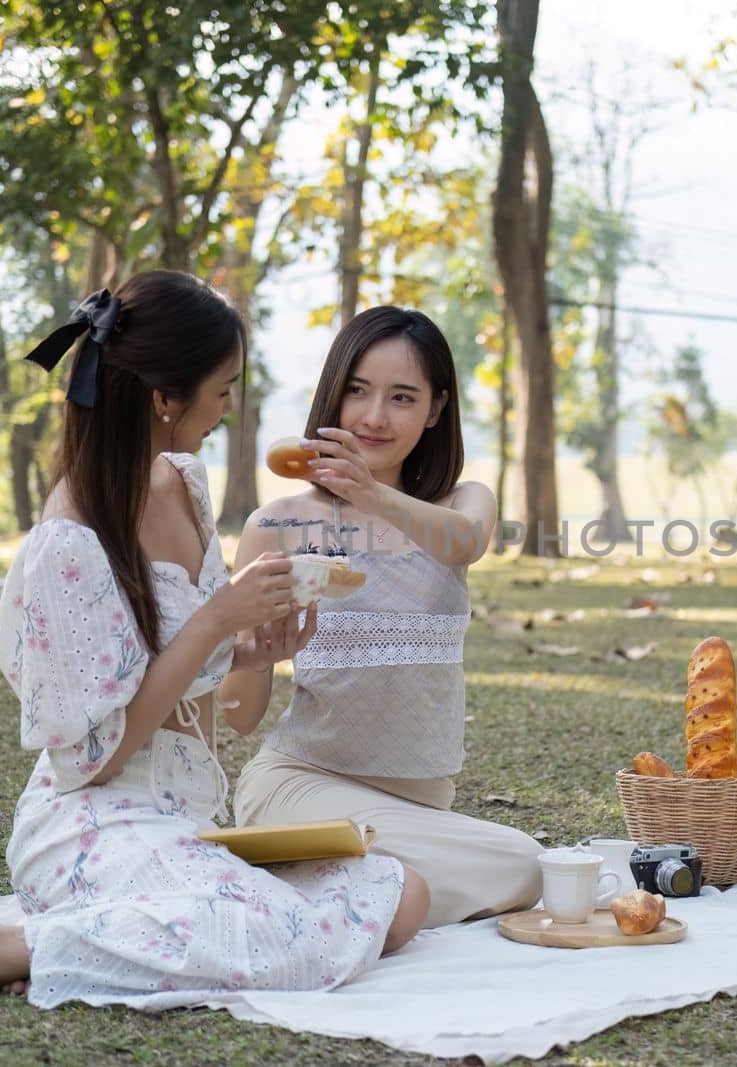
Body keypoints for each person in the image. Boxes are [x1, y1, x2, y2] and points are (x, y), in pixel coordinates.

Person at [0, 272, 428, 1003]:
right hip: (92, 821)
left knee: (400, 890)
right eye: (222, 389)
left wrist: (251, 649)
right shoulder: (68, 543)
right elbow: (94, 760)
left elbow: (200, 686)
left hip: (188, 819)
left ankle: (102, 930)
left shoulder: (185, 485)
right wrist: (216, 621)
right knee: (263, 931)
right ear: (165, 398)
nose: (228, 409)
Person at [222, 305, 542, 928]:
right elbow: (240, 718)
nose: (373, 416)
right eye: (358, 392)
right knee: (516, 865)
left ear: (436, 409)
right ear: (333, 397)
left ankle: (321, 894)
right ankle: (325, 884)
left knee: (522, 868)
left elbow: (465, 543)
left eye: (401, 397)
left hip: (416, 809)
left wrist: (369, 491)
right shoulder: (278, 524)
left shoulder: (461, 504)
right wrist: (257, 659)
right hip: (299, 785)